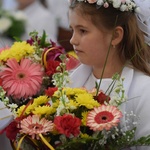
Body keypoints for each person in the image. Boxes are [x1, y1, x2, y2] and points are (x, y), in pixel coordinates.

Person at [68, 0, 150, 149]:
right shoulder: (69, 84)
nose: (72, 40)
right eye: (72, 30)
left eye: (82, 31)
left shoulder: (145, 90)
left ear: (115, 36)